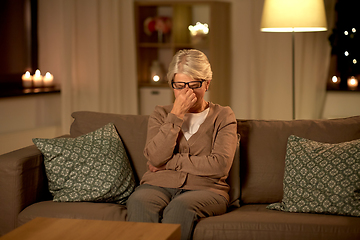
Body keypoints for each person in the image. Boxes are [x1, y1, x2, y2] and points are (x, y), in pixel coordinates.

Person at [126, 49, 238, 240]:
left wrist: (168, 163)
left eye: (194, 84)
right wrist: (176, 115)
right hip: (157, 186)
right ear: (172, 85)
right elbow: (155, 157)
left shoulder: (223, 115)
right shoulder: (161, 114)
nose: (186, 92)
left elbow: (219, 165)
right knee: (139, 201)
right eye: (179, 85)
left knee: (179, 207)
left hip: (206, 190)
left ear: (207, 84)